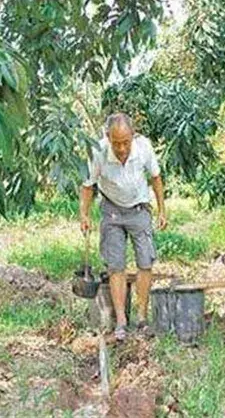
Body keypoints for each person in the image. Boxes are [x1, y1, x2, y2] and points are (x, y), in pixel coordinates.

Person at [80, 113, 167, 341]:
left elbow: (156, 178)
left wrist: (162, 209)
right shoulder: (98, 152)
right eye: (116, 143)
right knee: (115, 266)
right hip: (112, 211)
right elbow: (88, 186)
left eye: (125, 142)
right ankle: (121, 321)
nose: (121, 148)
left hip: (139, 209)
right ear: (107, 137)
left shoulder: (144, 147)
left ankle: (142, 318)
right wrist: (84, 214)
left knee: (145, 262)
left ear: (133, 136)